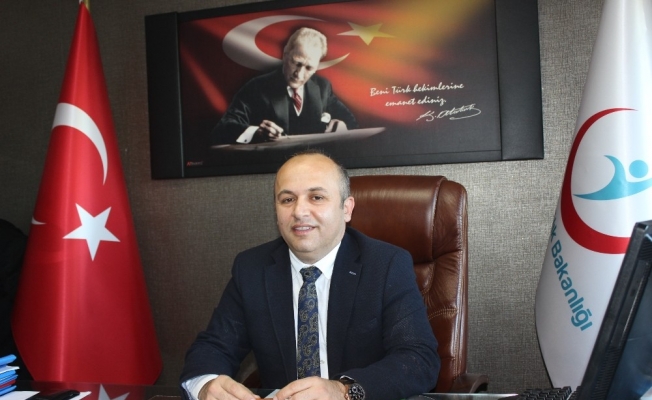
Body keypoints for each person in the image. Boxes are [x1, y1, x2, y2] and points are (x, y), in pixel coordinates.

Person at [180, 150, 440, 400]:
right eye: (287, 199)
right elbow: (214, 346)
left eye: (316, 197)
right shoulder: (252, 268)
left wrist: (343, 391)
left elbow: (418, 359)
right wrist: (206, 385)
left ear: (347, 208)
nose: (299, 212)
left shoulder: (386, 265)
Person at [212, 28, 358, 145]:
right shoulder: (256, 87)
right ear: (285, 55)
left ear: (316, 67)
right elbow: (222, 129)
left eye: (309, 68)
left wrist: (342, 126)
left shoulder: (322, 87)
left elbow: (351, 121)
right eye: (296, 63)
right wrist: (257, 132)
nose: (299, 74)